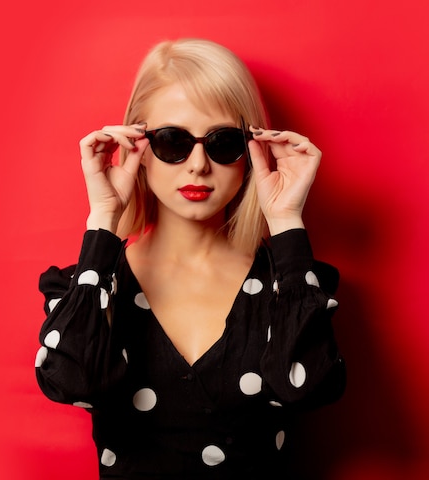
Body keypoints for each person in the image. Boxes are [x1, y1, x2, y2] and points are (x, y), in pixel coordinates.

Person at [35, 38, 346, 479]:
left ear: (252, 151)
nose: (198, 165)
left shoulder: (292, 285)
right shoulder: (89, 286)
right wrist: (104, 219)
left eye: (223, 142)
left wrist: (286, 220)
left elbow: (309, 388)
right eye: (172, 140)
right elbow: (69, 382)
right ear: (138, 149)